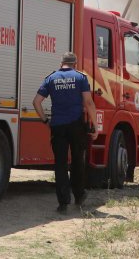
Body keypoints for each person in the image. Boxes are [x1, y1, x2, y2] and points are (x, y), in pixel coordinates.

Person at [33, 51, 98, 213]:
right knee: (77, 161)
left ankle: (63, 203)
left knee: (60, 164)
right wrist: (96, 126)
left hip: (58, 125)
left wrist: (45, 121)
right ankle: (79, 195)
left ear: (61, 63)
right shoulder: (80, 77)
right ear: (75, 64)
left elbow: (36, 102)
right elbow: (88, 103)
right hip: (76, 125)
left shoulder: (51, 78)